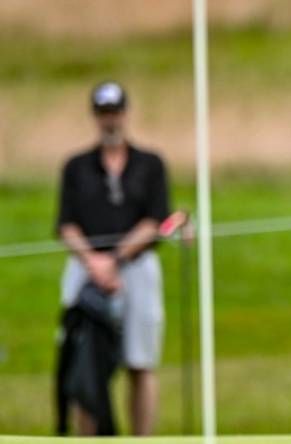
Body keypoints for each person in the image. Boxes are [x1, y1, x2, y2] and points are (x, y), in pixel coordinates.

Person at [56, 81, 170, 435]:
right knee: (83, 363)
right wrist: (94, 262)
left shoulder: (150, 165)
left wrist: (116, 260)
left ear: (126, 113)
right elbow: (66, 224)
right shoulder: (76, 167)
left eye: (116, 112)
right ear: (95, 116)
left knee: (141, 361)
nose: (110, 121)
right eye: (104, 113)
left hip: (137, 270)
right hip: (85, 269)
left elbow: (157, 221)